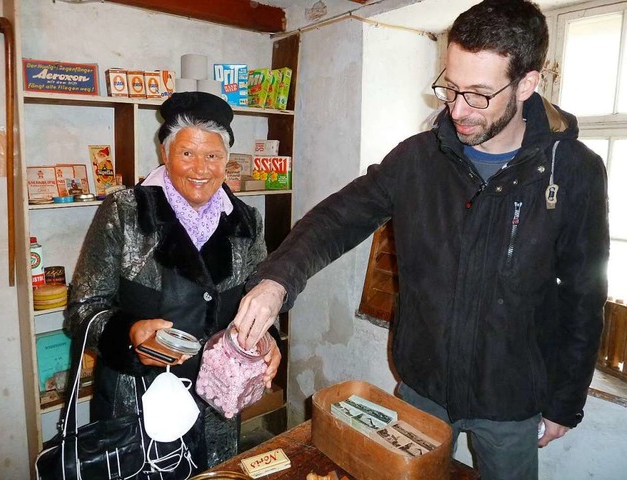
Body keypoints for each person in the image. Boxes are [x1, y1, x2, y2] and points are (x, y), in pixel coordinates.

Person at [231, 1, 609, 479]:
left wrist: (566, 401)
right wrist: (276, 282)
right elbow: (336, 219)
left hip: (514, 397)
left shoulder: (572, 171)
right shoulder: (417, 160)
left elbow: (583, 294)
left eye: (478, 94)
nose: (456, 110)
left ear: (527, 84)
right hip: (423, 387)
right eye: (450, 87)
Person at [66, 91, 281, 477]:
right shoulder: (124, 213)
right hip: (136, 404)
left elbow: (259, 302)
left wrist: (268, 341)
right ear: (165, 154)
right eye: (187, 154)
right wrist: (129, 334)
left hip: (216, 406)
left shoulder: (247, 223)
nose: (200, 168)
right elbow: (82, 309)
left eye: (212, 155)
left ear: (226, 161)